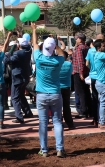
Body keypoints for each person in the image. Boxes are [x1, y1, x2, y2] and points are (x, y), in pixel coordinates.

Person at [30, 24, 66, 158]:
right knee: (57, 122)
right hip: (56, 94)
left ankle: (44, 150)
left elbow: (34, 44)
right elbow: (63, 53)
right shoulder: (58, 61)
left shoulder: (39, 59)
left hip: (41, 95)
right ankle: (60, 149)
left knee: (43, 123)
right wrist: (55, 44)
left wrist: (34, 30)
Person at [5, 34, 33, 124]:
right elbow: (28, 46)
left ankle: (19, 117)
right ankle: (28, 112)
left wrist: (11, 50)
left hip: (17, 78)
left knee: (15, 97)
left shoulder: (17, 53)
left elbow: (7, 61)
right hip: (25, 77)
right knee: (21, 95)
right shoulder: (29, 51)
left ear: (20, 45)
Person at [71, 33, 93, 120]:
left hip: (78, 72)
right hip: (86, 72)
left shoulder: (80, 48)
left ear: (80, 39)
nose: (76, 40)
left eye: (77, 39)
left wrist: (80, 73)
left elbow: (80, 61)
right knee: (86, 92)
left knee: (81, 92)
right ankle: (90, 110)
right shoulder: (86, 48)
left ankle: (83, 111)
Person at [57, 41, 75, 130]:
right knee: (66, 106)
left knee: (58, 107)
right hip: (67, 87)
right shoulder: (69, 64)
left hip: (57, 88)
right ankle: (70, 123)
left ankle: (59, 123)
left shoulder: (57, 65)